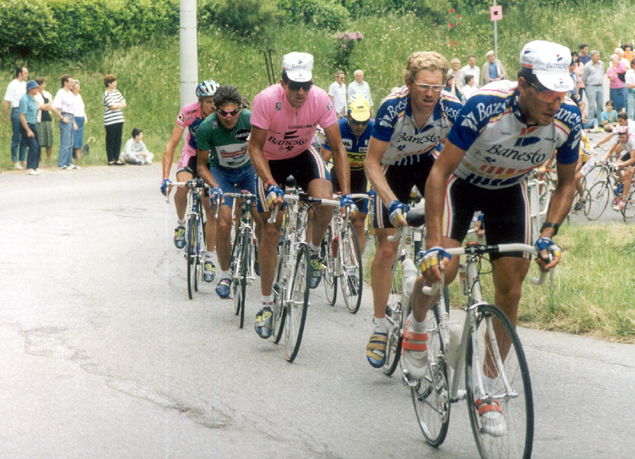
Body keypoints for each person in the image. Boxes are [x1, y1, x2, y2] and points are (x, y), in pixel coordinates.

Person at [416, 41, 579, 436]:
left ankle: (487, 389)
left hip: (509, 190)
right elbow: (438, 174)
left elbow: (567, 183)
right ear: (522, 85)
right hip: (462, 185)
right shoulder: (484, 107)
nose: (555, 103)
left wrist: (547, 235)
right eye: (546, 92)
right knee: (443, 272)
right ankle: (417, 325)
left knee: (512, 289)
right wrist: (436, 242)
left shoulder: (568, 119)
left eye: (562, 93)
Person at [363, 51, 463, 369]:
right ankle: (380, 326)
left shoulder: (452, 108)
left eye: (438, 86)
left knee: (446, 227)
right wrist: (391, 203)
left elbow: (464, 159)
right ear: (409, 83)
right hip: (391, 167)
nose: (431, 93)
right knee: (387, 247)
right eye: (423, 86)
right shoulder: (393, 107)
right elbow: (371, 162)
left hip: (423, 163)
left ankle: (422, 286)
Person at [248, 51, 353, 339]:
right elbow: (254, 147)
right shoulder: (267, 99)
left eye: (305, 85)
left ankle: (315, 250)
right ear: (283, 82)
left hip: (303, 155)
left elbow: (338, 147)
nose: (301, 92)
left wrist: (345, 192)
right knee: (271, 230)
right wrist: (269, 183)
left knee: (326, 200)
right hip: (270, 161)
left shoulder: (320, 99)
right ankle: (266, 303)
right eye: (295, 86)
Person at [196, 84, 261, 298]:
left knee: (261, 215)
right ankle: (225, 275)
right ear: (215, 110)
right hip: (221, 174)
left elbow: (265, 151)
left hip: (249, 170)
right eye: (223, 113)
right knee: (223, 223)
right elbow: (202, 166)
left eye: (234, 112)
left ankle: (261, 252)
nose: (229, 117)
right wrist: (214, 187)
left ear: (241, 108)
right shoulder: (207, 127)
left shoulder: (251, 119)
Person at [161, 79, 220, 279]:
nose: (213, 105)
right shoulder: (188, 112)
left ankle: (210, 258)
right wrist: (164, 178)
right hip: (192, 153)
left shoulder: (222, 114)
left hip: (211, 157)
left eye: (215, 100)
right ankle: (180, 224)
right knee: (183, 187)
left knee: (210, 208)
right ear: (200, 101)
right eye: (208, 101)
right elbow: (171, 145)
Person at [321, 94, 374, 254]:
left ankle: (354, 267)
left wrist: (376, 188)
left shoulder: (375, 128)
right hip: (338, 175)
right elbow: (323, 160)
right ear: (348, 116)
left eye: (363, 122)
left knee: (359, 221)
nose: (359, 126)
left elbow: (383, 162)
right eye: (355, 122)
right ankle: (321, 246)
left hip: (362, 177)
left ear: (369, 117)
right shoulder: (339, 127)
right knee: (325, 211)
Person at [3, 66, 29, 169]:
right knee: (17, 137)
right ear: (20, 74)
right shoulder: (12, 85)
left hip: (25, 111)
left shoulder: (25, 85)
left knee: (25, 137)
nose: (27, 75)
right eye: (25, 73)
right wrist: (6, 116)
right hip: (17, 110)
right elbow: (5, 102)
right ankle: (15, 160)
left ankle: (23, 159)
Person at [605, 126, 635, 211]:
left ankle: (623, 201)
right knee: (615, 167)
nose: (621, 139)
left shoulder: (632, 140)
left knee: (627, 173)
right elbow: (610, 151)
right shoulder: (618, 139)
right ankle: (624, 186)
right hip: (631, 152)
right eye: (619, 137)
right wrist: (602, 160)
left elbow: (633, 159)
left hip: (634, 155)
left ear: (627, 135)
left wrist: (622, 164)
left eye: (623, 137)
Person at [53, 74, 79, 170]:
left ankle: (69, 163)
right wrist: (62, 117)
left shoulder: (70, 94)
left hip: (71, 117)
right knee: (65, 142)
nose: (72, 84)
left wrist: (74, 122)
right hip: (65, 116)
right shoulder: (61, 93)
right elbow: (54, 107)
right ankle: (62, 163)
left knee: (71, 142)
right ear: (65, 82)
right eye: (71, 82)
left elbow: (72, 110)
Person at [19, 80, 41, 175]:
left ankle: (35, 166)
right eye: (36, 88)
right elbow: (22, 116)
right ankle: (29, 168)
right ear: (31, 89)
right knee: (33, 145)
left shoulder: (33, 99)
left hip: (33, 124)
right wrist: (28, 130)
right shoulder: (25, 99)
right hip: (26, 125)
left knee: (38, 146)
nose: (37, 90)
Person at [103, 74, 126, 166]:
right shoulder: (106, 94)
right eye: (114, 82)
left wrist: (117, 105)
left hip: (119, 119)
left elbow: (124, 103)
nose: (116, 83)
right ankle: (110, 159)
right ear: (109, 84)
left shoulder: (117, 92)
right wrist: (118, 105)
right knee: (111, 139)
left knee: (118, 139)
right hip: (110, 120)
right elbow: (111, 106)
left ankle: (117, 158)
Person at [33, 77, 56, 164]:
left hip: (47, 118)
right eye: (43, 84)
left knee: (49, 139)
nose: (45, 85)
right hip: (39, 119)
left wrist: (46, 105)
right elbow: (40, 106)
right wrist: (47, 105)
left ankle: (49, 157)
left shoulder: (47, 94)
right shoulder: (35, 95)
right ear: (39, 85)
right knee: (40, 139)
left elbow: (51, 105)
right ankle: (40, 158)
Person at [582, 50, 604, 121]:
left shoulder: (601, 64)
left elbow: (602, 73)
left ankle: (600, 121)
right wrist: (588, 84)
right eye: (596, 56)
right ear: (591, 57)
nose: (598, 57)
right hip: (591, 86)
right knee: (591, 105)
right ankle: (591, 121)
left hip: (600, 86)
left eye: (598, 56)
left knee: (600, 105)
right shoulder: (587, 65)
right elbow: (584, 77)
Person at [72, 79, 86, 161]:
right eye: (77, 85)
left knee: (79, 139)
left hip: (81, 119)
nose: (79, 87)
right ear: (73, 88)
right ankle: (74, 156)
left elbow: (82, 108)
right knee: (74, 139)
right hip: (75, 119)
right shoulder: (71, 96)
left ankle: (78, 157)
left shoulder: (79, 96)